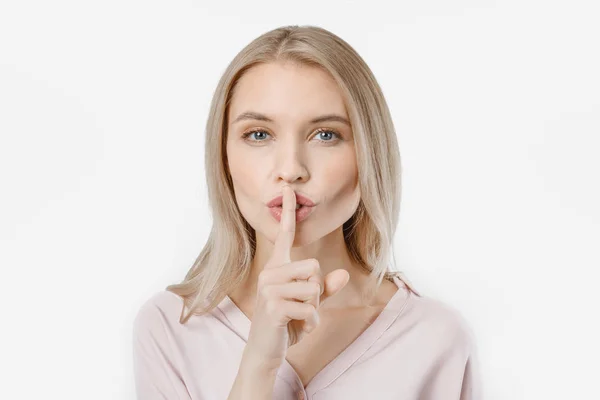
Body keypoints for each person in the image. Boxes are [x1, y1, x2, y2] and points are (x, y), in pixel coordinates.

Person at [132, 24, 482, 400]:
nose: (290, 168)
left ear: (369, 154)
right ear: (224, 156)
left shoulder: (435, 338)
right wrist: (258, 366)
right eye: (259, 134)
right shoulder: (171, 328)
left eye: (326, 135)